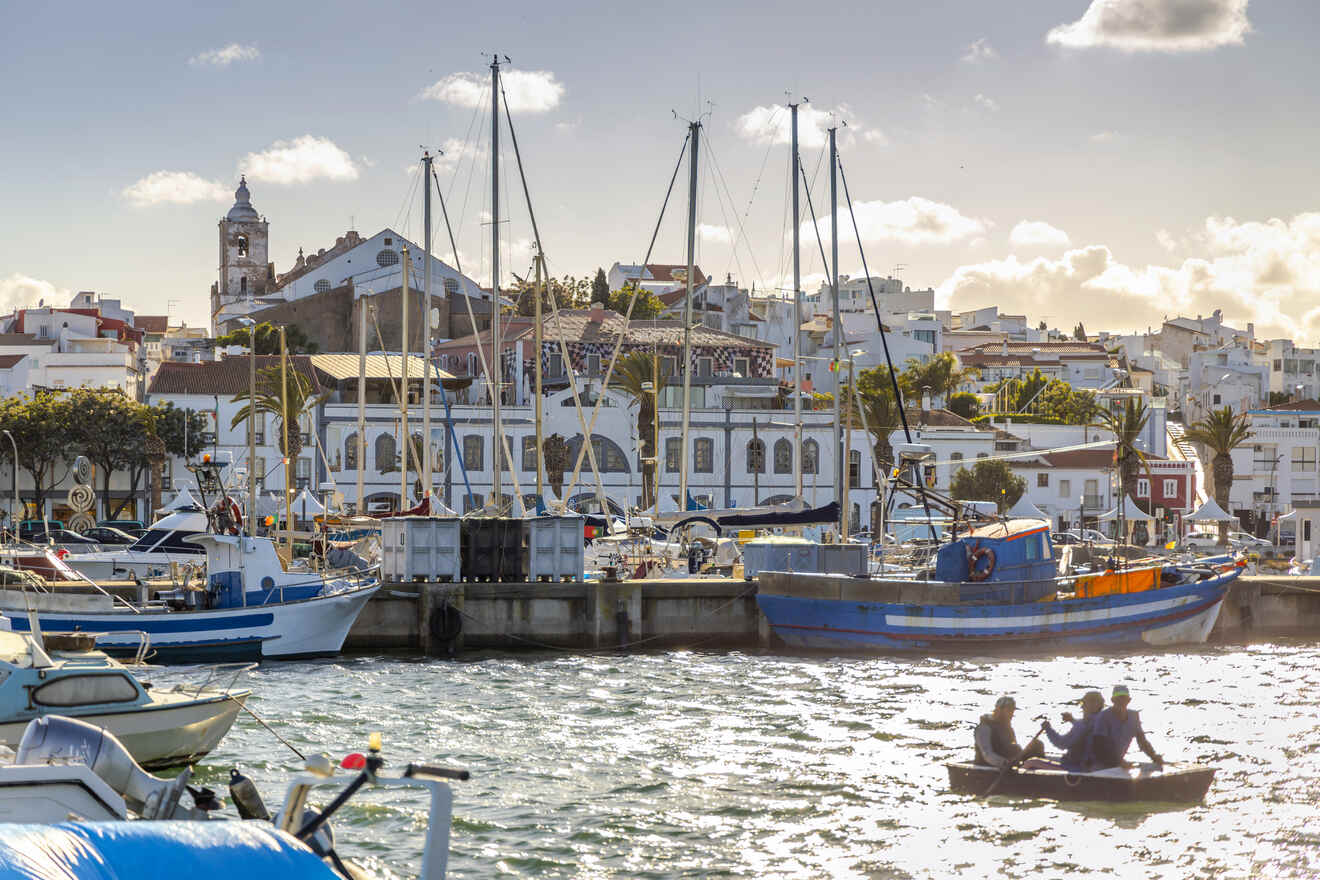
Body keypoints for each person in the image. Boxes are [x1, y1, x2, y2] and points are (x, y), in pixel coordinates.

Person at [1091, 685, 1164, 769]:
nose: (1121, 701)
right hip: (1099, 764)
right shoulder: (1103, 716)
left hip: (1118, 763)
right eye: (1118, 699)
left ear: (1129, 700)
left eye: (1124, 698)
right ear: (1112, 700)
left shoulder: (1134, 716)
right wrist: (1118, 761)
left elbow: (1142, 741)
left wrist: (1154, 757)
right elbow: (1099, 745)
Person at [974, 695, 1044, 768]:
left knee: (1036, 745)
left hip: (1008, 763)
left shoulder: (1007, 726)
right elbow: (987, 754)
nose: (1011, 713)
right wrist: (1004, 763)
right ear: (999, 710)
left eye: (1012, 711)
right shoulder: (984, 728)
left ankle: (1042, 768)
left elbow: (1013, 747)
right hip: (989, 766)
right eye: (1009, 710)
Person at [1042, 690, 1105, 771]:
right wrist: (1072, 721)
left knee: (1031, 762)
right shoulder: (1103, 721)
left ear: (1093, 705)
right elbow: (1085, 728)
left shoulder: (1083, 724)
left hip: (1078, 767)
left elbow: (1061, 744)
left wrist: (1048, 729)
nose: (1082, 707)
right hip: (1093, 765)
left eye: (1084, 704)